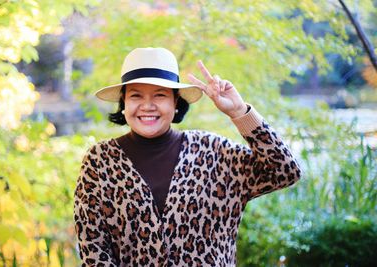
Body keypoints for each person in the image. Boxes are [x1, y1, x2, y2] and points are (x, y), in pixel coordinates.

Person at [73, 47, 301, 267]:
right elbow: (94, 252)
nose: (147, 106)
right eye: (136, 96)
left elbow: (285, 171)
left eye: (160, 95)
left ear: (176, 102)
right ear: (124, 104)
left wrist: (238, 112)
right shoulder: (100, 161)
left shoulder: (214, 152)